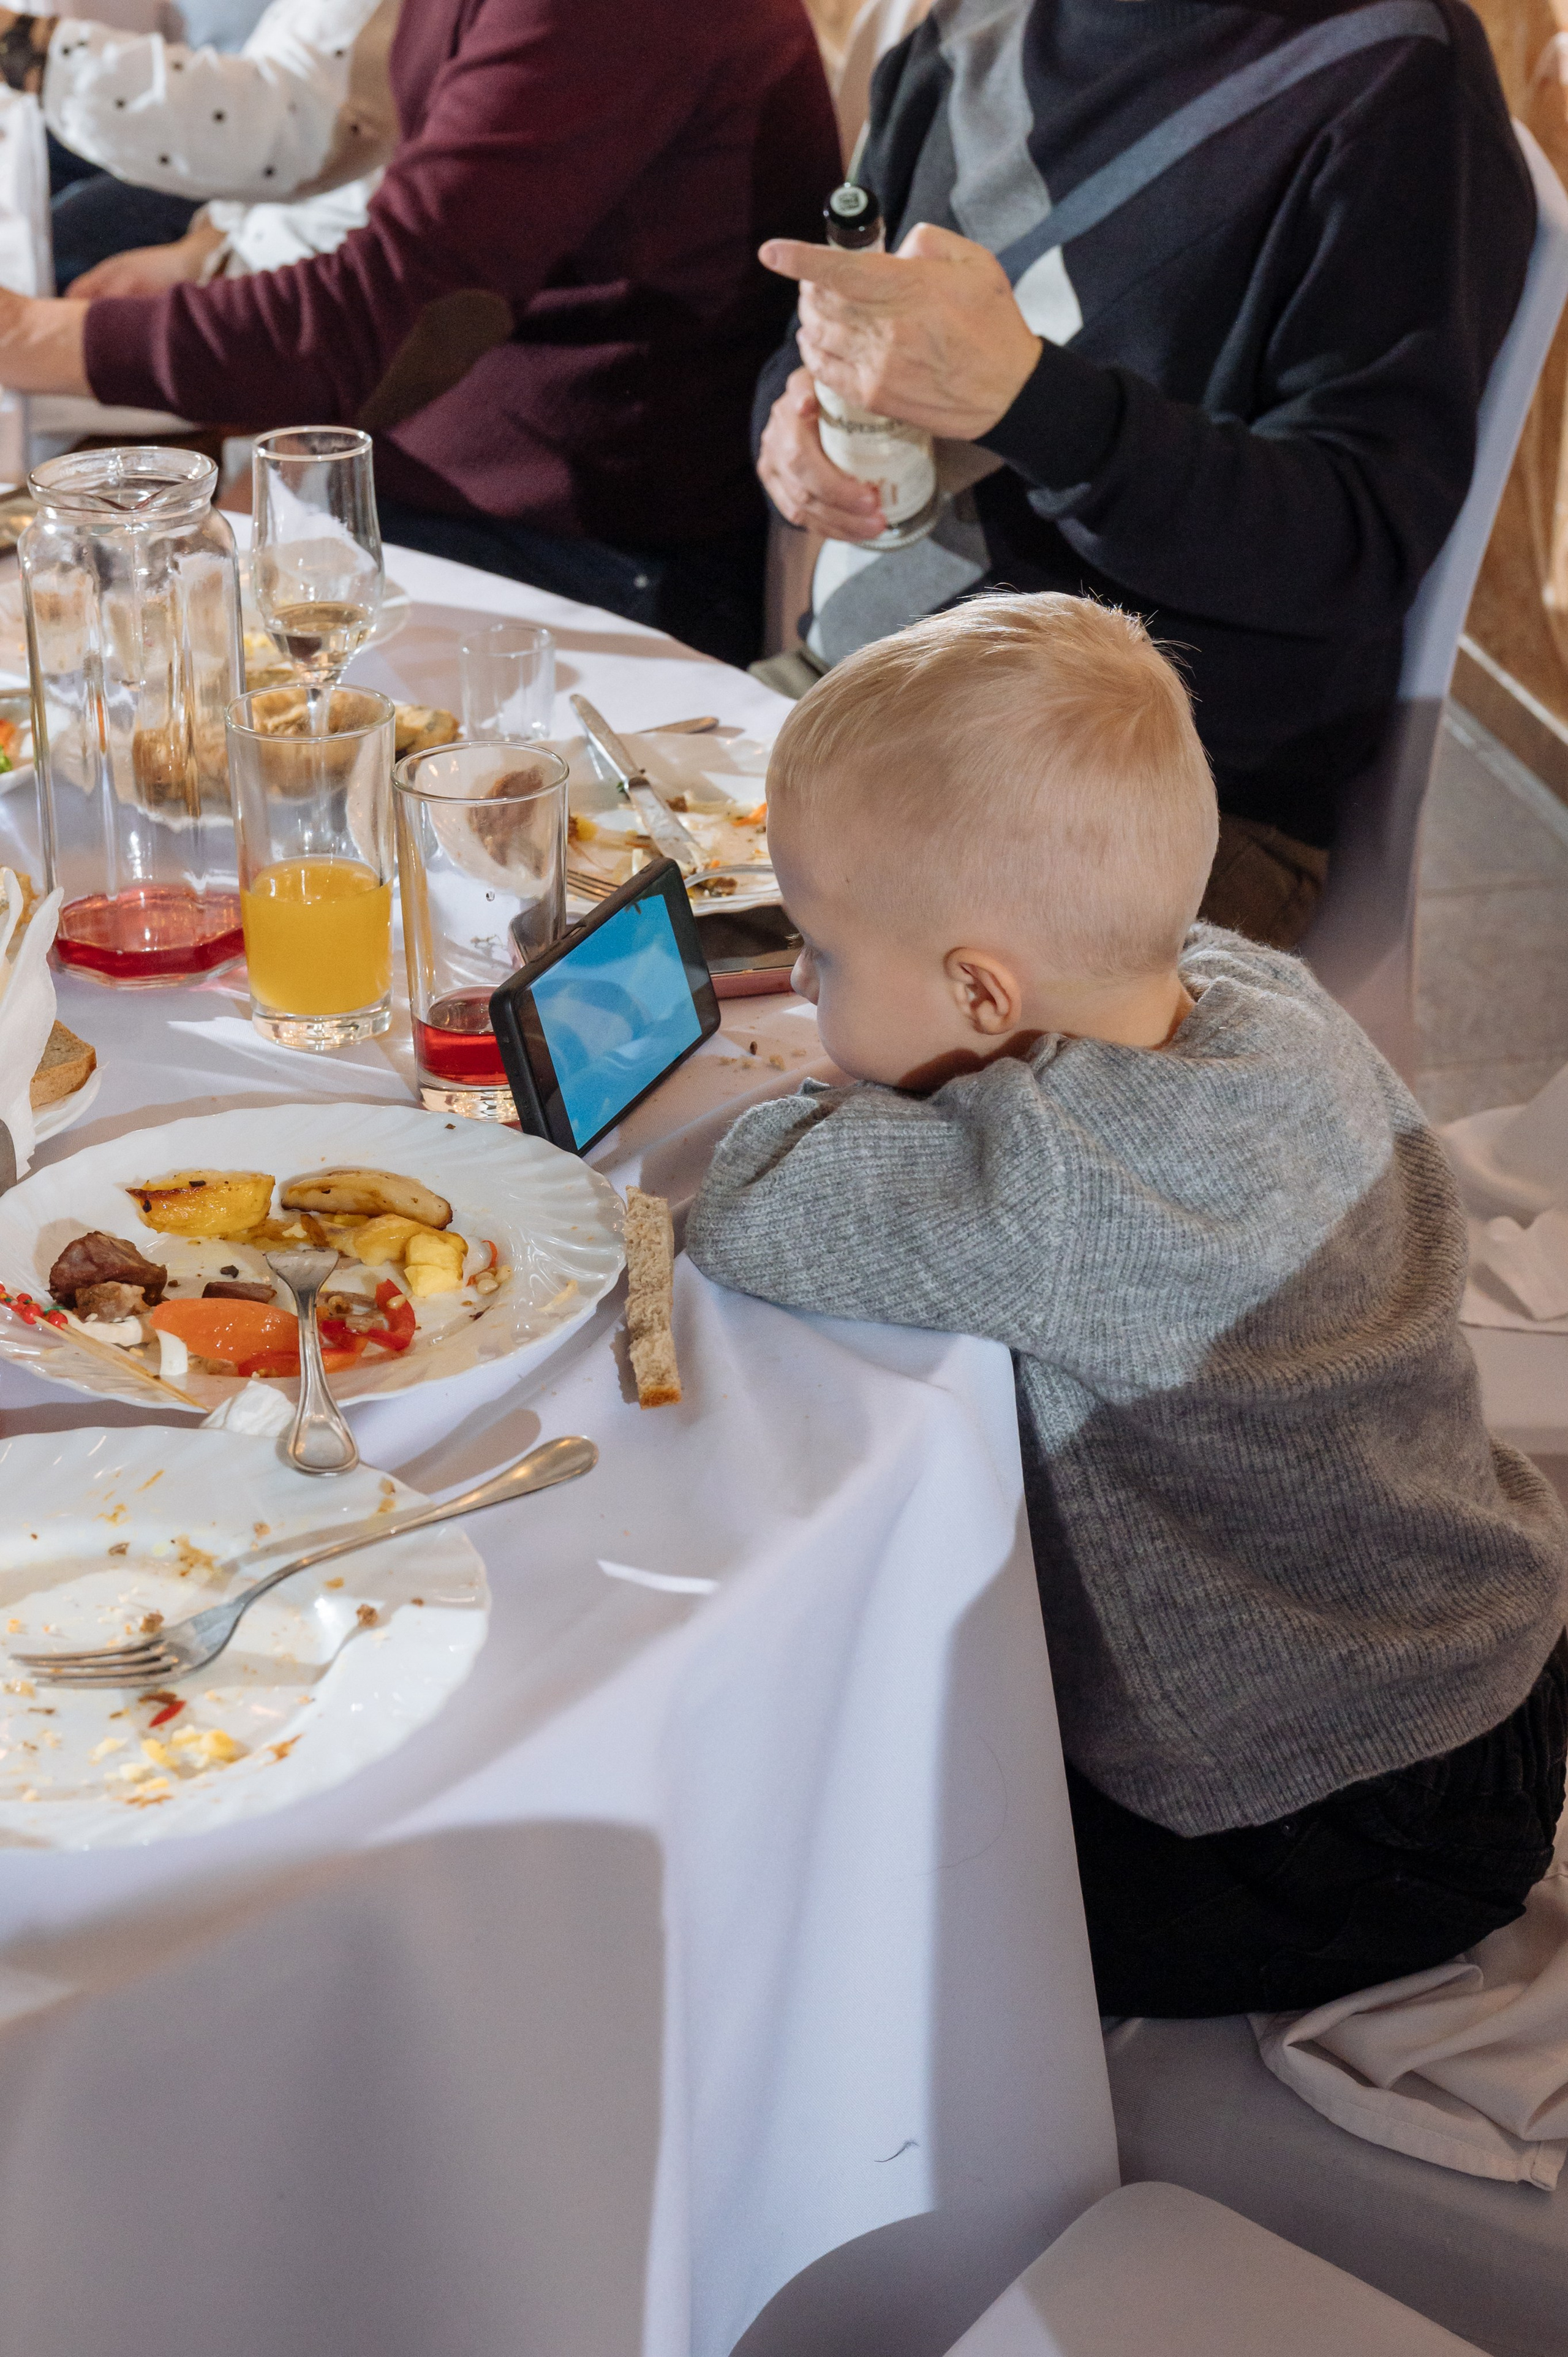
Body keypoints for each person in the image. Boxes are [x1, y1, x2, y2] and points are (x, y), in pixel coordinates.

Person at [684, 592, 1568, 2018]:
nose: (796, 981)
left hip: (1318, 1838)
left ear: (980, 991)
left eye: (822, 956)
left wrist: (857, 1089)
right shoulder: (1252, 993)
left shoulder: (1047, 1185)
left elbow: (748, 1205)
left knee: (838, 1874)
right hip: (1489, 1684)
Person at [753, 0, 1537, 947]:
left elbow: (1358, 538)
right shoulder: (972, 22)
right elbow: (849, 296)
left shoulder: (1394, 81)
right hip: (849, 698)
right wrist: (794, 416)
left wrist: (1033, 401)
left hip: (1132, 803)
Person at [0, 0, 840, 667]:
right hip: (458, 491)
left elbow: (391, 314)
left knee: (99, 675)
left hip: (594, 556)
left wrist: (33, 337)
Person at [0, 0, 397, 289]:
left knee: (48, 249)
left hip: (305, 279)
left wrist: (20, 45)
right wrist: (205, 245)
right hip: (243, 208)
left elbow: (282, 133)